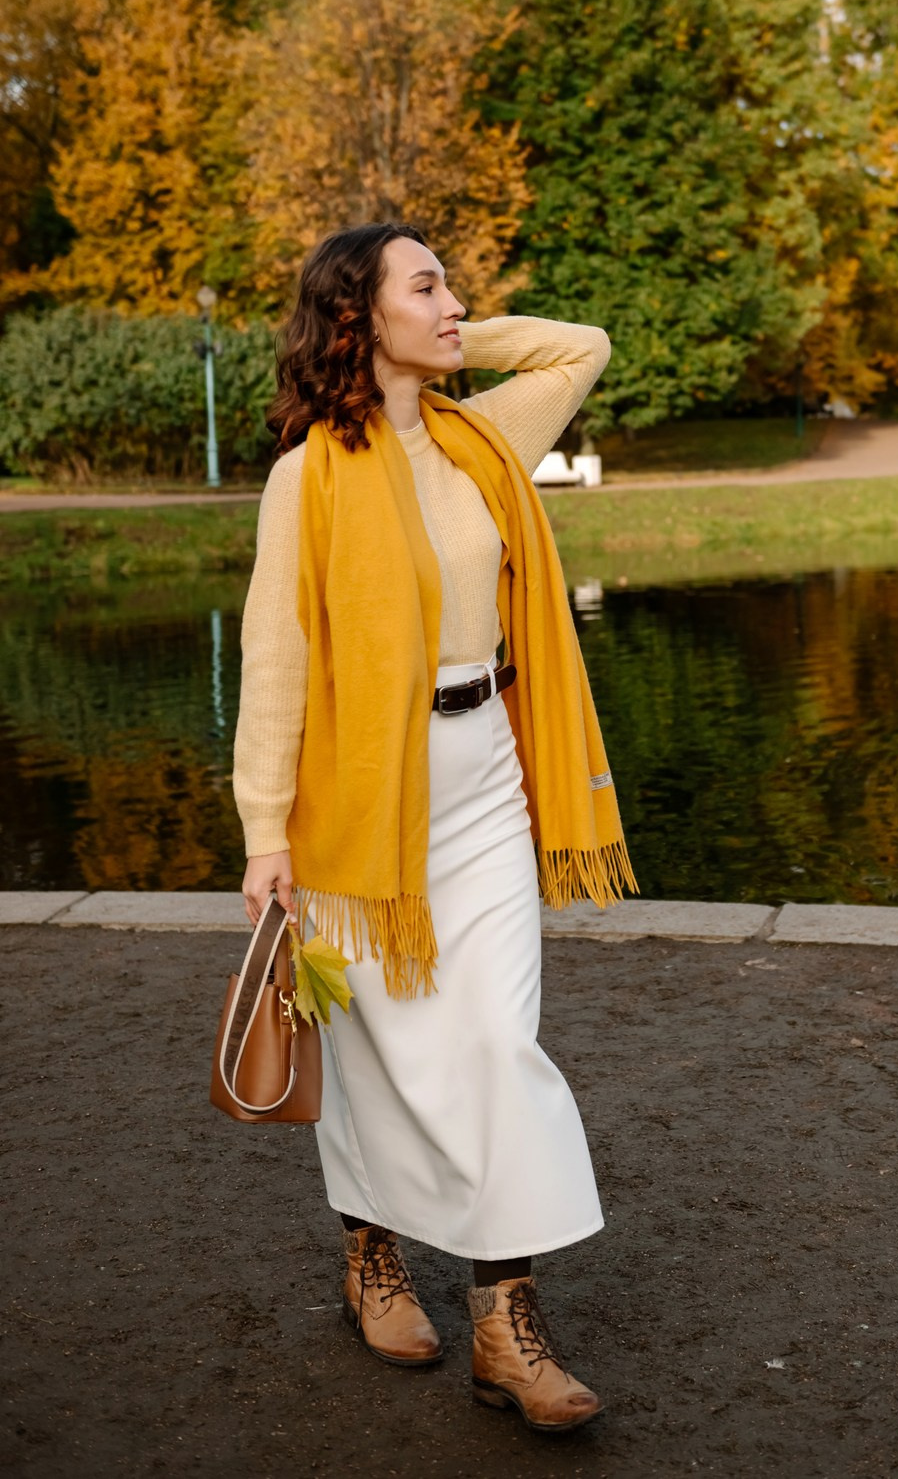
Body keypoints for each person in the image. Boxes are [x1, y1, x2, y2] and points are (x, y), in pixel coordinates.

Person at [232, 221, 637, 1435]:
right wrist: (265, 831)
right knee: (380, 1053)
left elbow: (581, 348)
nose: (454, 299)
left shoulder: (481, 438)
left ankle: (506, 1327)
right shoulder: (308, 475)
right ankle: (373, 1258)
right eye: (429, 287)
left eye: (452, 284)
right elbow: (275, 661)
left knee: (496, 1043)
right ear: (360, 318)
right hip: (361, 793)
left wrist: (457, 342)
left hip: (485, 774)